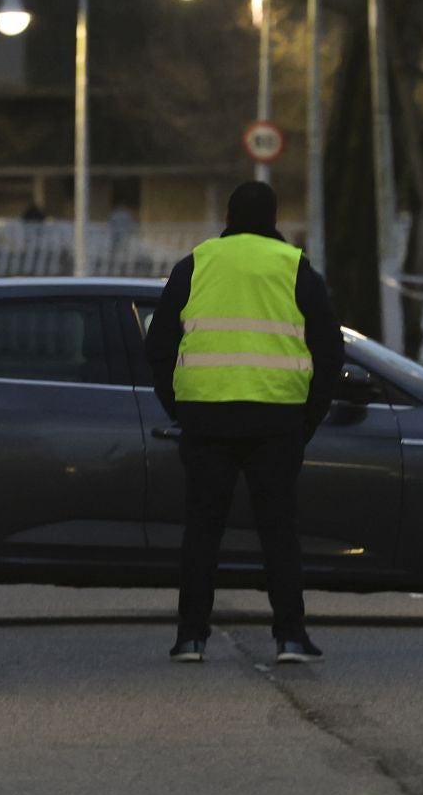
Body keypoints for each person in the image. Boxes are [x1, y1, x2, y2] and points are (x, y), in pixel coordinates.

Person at [145, 180, 344, 665]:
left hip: (206, 418)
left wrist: (179, 405)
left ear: (228, 217)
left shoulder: (195, 264)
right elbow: (329, 351)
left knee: (203, 530)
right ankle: (290, 637)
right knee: (279, 531)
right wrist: (306, 420)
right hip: (276, 420)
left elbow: (158, 345)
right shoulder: (295, 267)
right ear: (274, 218)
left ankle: (190, 638)